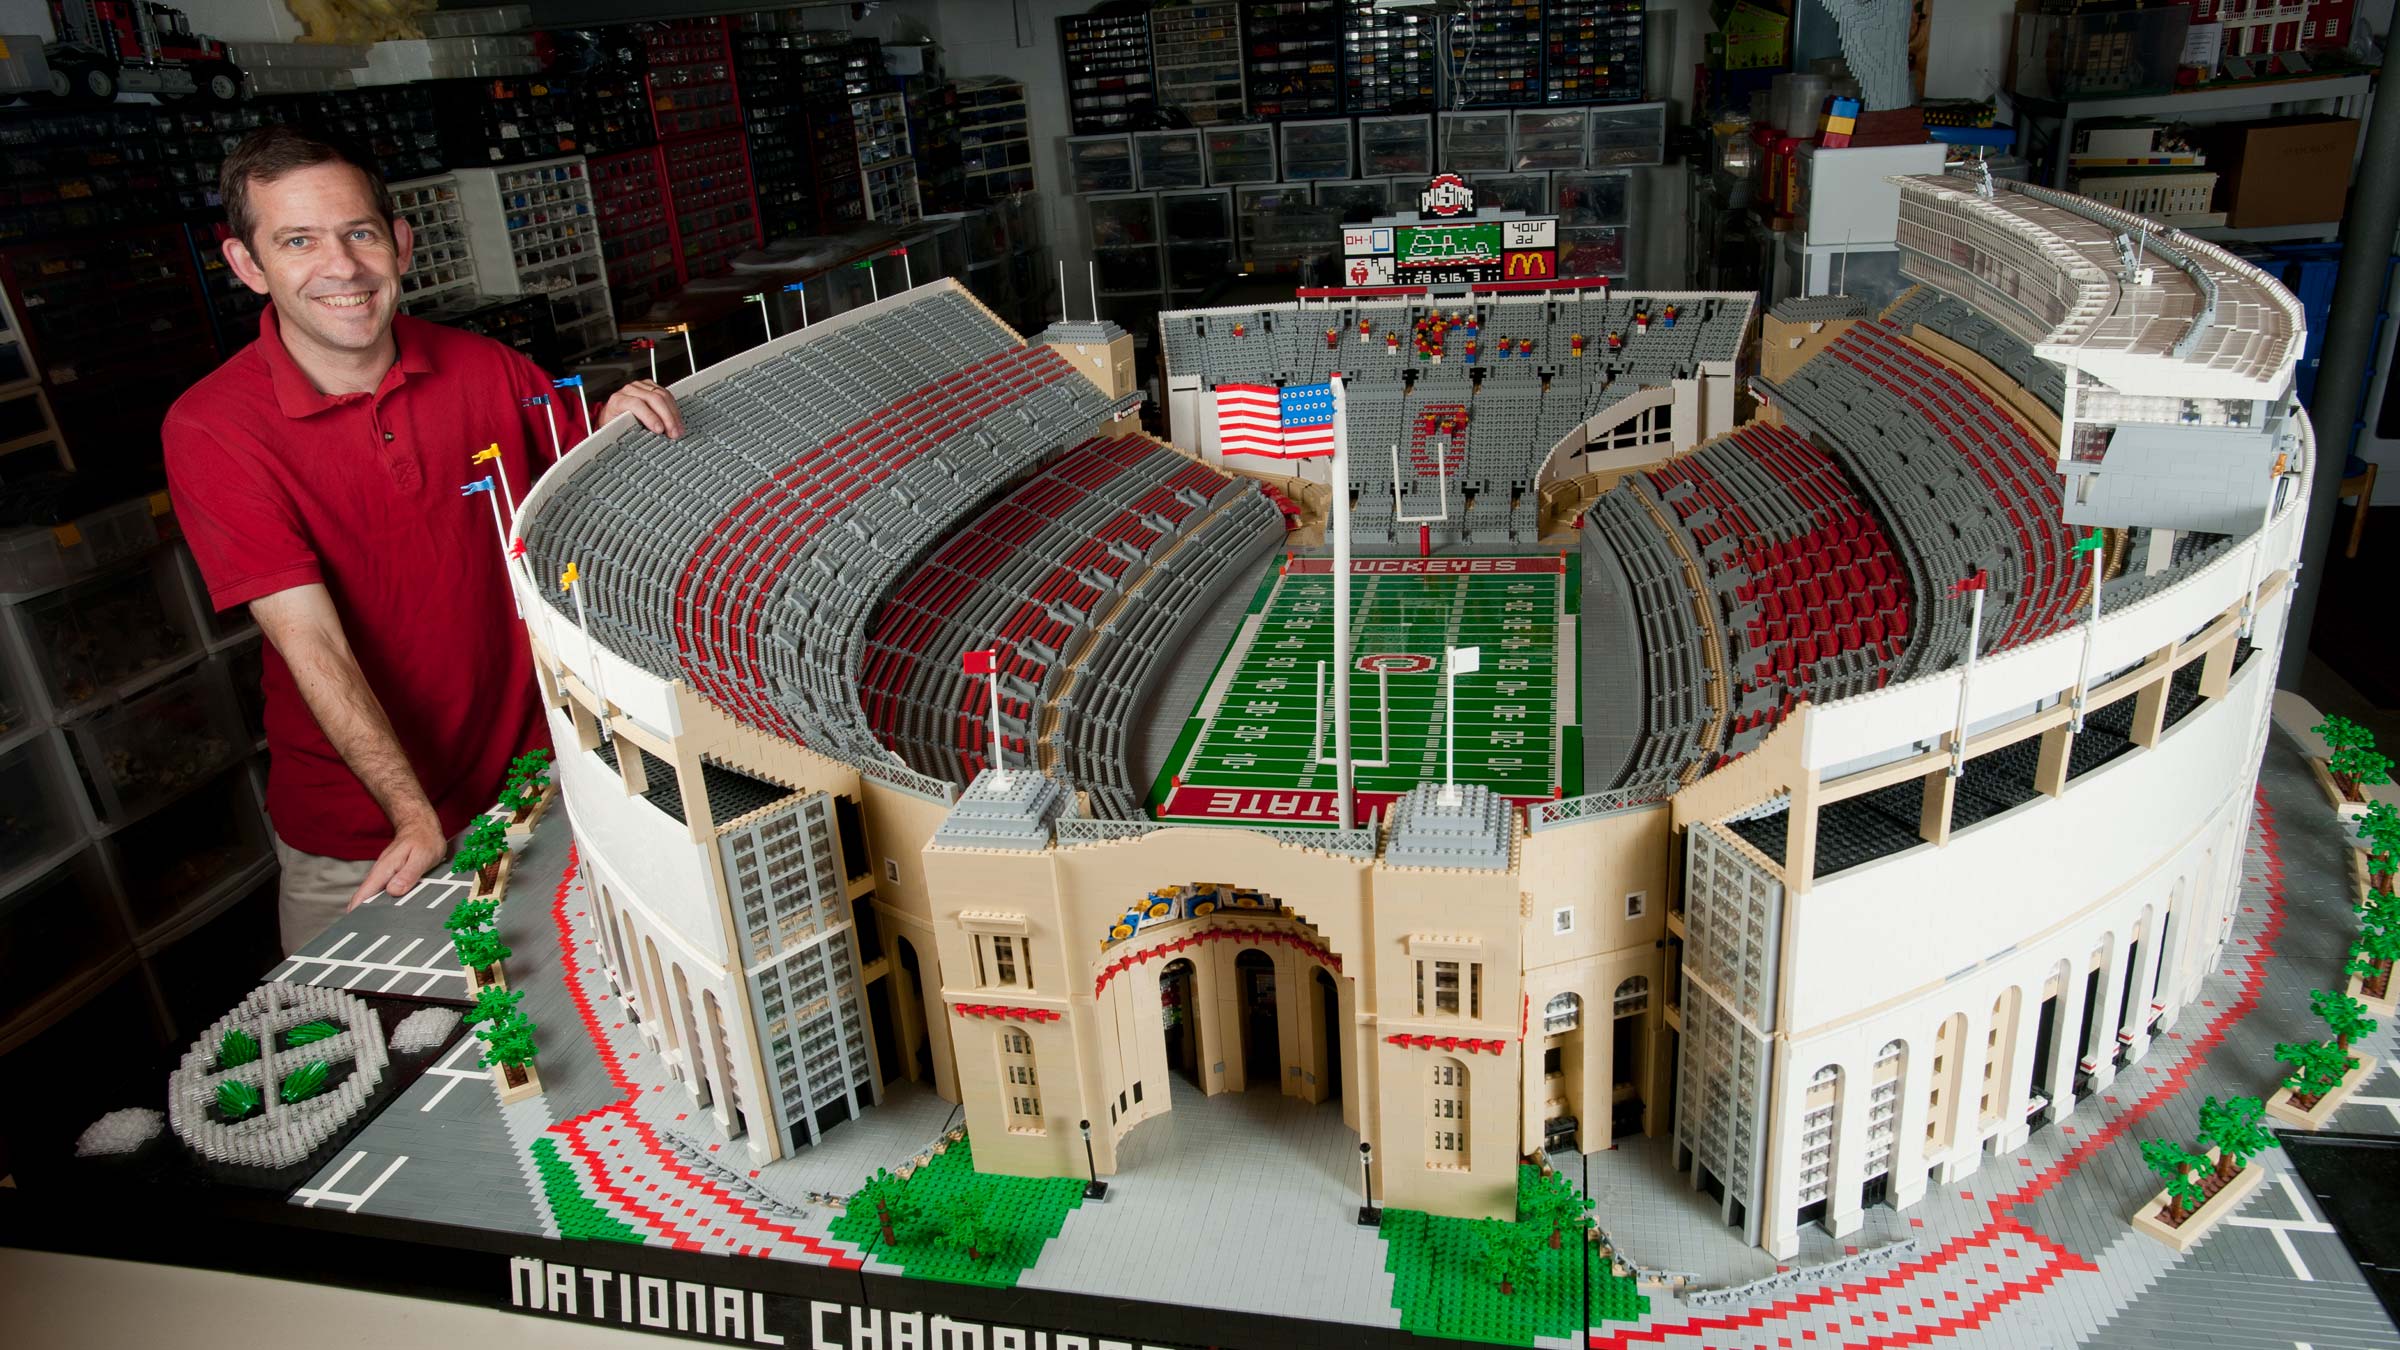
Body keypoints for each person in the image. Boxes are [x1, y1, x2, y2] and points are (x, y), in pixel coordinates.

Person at [164, 126, 685, 954]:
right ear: (247, 266)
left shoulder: (489, 368)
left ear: (401, 244)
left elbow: (599, 515)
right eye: (298, 241)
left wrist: (619, 426)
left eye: (359, 234)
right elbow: (312, 642)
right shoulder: (212, 429)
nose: (340, 268)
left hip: (538, 788)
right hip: (363, 834)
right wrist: (410, 817)